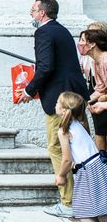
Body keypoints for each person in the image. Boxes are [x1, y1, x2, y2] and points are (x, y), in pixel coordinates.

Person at [18, 0, 91, 218]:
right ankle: (89, 197)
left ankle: (68, 202)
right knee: (82, 146)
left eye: (33, 10)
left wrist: (29, 90)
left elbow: (46, 66)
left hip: (61, 100)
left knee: (58, 147)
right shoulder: (62, 30)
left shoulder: (43, 32)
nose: (31, 14)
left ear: (42, 13)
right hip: (76, 94)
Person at [55, 91, 107, 222]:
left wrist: (61, 175)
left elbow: (67, 159)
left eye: (57, 102)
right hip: (98, 166)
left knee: (85, 213)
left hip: (87, 172)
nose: (55, 104)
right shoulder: (79, 124)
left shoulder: (63, 131)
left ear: (62, 109)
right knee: (96, 208)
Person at [78, 29, 107, 152]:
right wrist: (83, 102)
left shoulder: (105, 60)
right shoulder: (96, 62)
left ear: (92, 44)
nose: (79, 44)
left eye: (82, 40)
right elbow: (101, 88)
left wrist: (104, 104)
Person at [80, 22, 107, 96]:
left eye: (93, 33)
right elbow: (100, 88)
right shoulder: (89, 57)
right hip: (91, 84)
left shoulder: (104, 60)